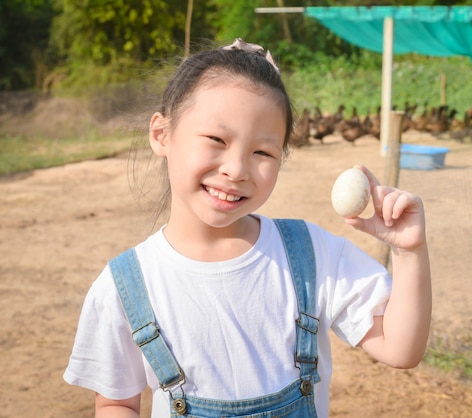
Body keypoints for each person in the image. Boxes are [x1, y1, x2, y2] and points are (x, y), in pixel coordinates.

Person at [63, 38, 432, 418]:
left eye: (263, 152)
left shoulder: (312, 255)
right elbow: (115, 402)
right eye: (216, 140)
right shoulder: (124, 286)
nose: (237, 169)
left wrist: (409, 252)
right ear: (162, 135)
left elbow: (401, 349)